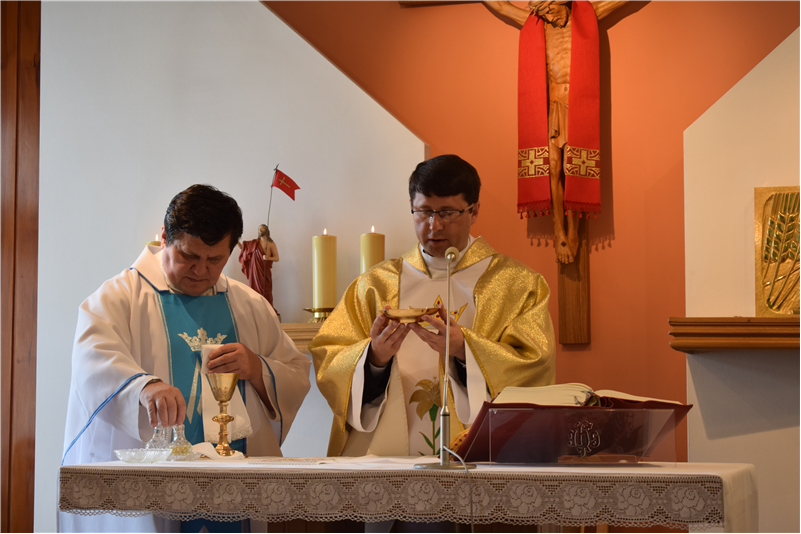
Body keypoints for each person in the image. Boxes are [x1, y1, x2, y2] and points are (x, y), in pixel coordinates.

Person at [60, 184, 311, 533]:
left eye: (215, 260)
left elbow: (296, 372)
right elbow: (92, 363)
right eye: (189, 256)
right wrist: (143, 388)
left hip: (233, 490)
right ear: (165, 237)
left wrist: (257, 368)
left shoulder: (250, 306)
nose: (201, 270)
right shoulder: (118, 298)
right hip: (153, 496)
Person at [309, 155, 555, 458]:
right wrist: (375, 358)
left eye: (448, 212)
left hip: (479, 463)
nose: (434, 225)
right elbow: (329, 357)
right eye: (423, 211)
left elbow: (535, 364)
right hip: (389, 461)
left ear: (474, 210)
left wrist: (464, 349)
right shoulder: (375, 286)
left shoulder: (518, 285)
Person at [484, 0, 630, 264]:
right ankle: (557, 227)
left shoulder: (587, 15)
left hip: (578, 108)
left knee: (573, 166)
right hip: (550, 107)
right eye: (543, 12)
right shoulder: (535, 24)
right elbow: (502, 6)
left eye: (550, 9)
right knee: (552, 166)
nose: (548, 16)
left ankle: (573, 230)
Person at [238, 224, 280, 313]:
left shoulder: (271, 244)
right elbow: (242, 248)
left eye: (262, 229)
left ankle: (267, 312)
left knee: (266, 292)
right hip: (254, 273)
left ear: (266, 230)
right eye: (259, 229)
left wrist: (268, 258)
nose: (260, 230)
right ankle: (255, 312)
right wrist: (235, 240)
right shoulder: (254, 243)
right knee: (253, 293)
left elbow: (277, 258)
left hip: (265, 273)